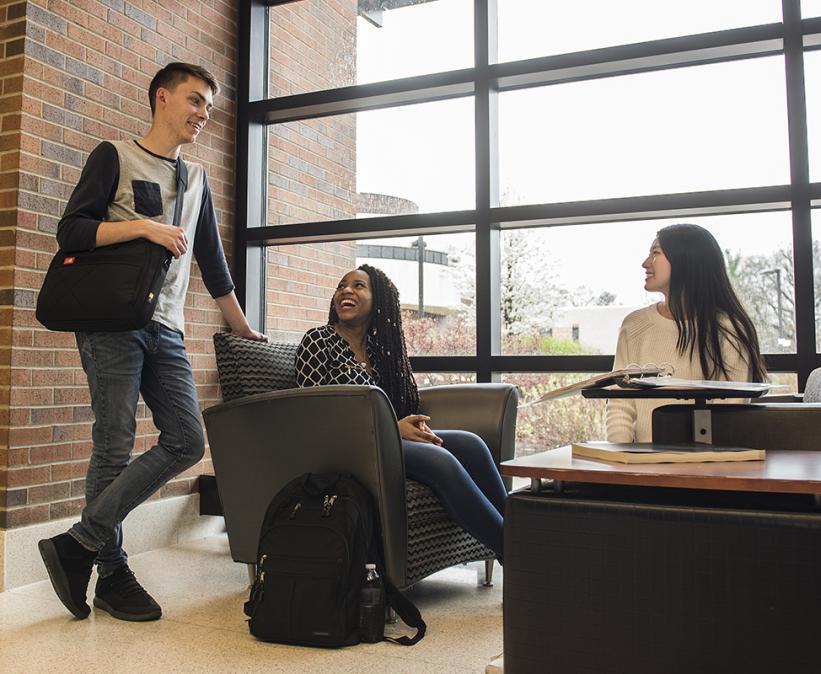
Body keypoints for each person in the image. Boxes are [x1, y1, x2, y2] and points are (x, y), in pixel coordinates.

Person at [38, 63, 266, 622]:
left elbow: (211, 261)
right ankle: (113, 572)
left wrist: (240, 326)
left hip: (166, 329)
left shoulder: (199, 181)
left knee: (187, 440)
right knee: (113, 446)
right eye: (194, 101)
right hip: (111, 323)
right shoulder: (114, 155)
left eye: (209, 107)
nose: (203, 115)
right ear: (161, 98)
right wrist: (142, 227)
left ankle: (79, 542)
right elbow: (71, 231)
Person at [296, 265, 506, 561]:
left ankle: (520, 536)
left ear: (378, 300)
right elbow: (313, 415)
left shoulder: (381, 351)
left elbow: (397, 406)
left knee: (471, 444)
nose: (346, 290)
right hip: (347, 449)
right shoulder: (318, 341)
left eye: (358, 286)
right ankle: (519, 555)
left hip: (385, 441)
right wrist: (393, 429)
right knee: (441, 461)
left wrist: (413, 426)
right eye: (342, 285)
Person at [606, 223, 766, 443]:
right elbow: (619, 405)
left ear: (686, 260)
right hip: (641, 468)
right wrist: (620, 462)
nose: (645, 263)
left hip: (707, 467)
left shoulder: (729, 330)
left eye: (655, 253)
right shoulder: (634, 324)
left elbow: (728, 413)